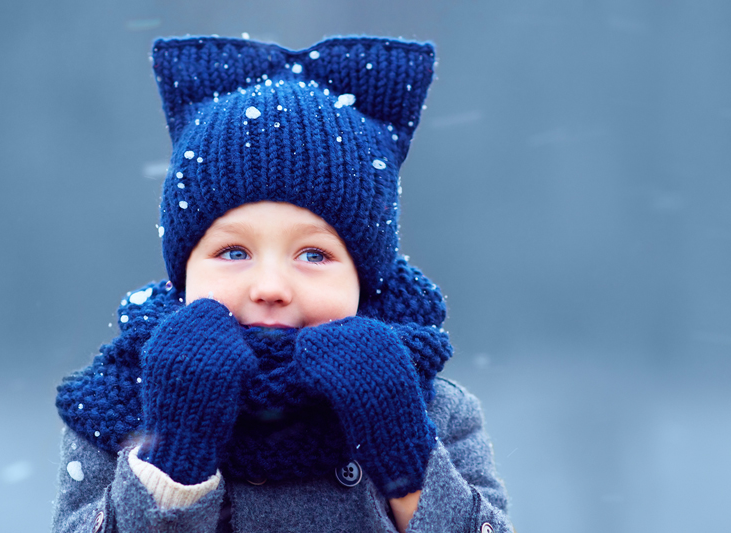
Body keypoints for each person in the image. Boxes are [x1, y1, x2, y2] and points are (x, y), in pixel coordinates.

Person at [52, 35, 512, 533]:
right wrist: (175, 448)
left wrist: (403, 456)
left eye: (313, 254)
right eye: (234, 252)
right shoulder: (120, 405)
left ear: (364, 276)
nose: (270, 285)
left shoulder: (434, 408)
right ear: (184, 272)